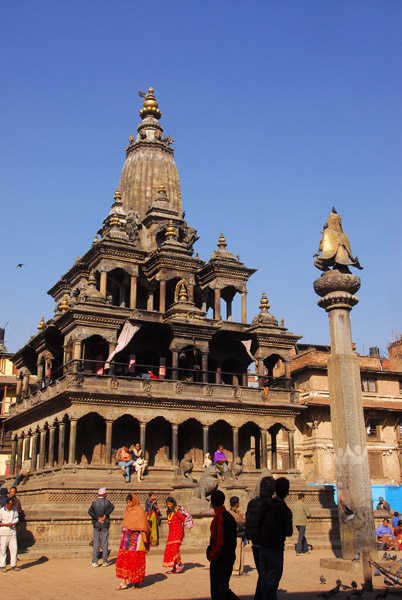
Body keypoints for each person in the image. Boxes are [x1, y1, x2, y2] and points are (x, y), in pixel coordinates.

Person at [257, 477, 293, 600]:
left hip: (263, 547)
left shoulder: (266, 504)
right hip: (276, 549)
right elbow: (289, 532)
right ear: (287, 492)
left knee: (263, 579)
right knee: (272, 581)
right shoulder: (285, 509)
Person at [245, 476, 276, 600]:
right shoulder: (275, 505)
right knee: (269, 578)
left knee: (263, 575)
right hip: (271, 547)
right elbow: (287, 530)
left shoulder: (252, 503)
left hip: (256, 545)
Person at [207, 489, 239, 600]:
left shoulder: (218, 518)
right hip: (229, 558)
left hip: (220, 560)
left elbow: (219, 542)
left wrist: (212, 556)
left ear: (212, 503)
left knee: (218, 593)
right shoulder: (229, 516)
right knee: (224, 590)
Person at [115, 493, 151, 590]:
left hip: (137, 539)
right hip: (126, 538)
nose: (128, 505)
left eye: (130, 502)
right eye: (127, 503)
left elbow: (143, 525)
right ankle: (123, 582)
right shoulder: (127, 511)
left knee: (135, 560)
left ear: (133, 501)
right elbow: (126, 523)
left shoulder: (139, 510)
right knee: (124, 559)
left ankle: (136, 581)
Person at [88, 487, 115, 567]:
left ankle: (94, 561)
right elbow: (112, 507)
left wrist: (97, 518)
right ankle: (105, 560)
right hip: (105, 524)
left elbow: (90, 511)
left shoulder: (95, 503)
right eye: (105, 493)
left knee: (96, 542)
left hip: (96, 524)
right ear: (103, 494)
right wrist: (105, 516)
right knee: (104, 542)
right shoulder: (107, 502)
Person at [163, 496, 186, 574]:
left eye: (169, 504)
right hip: (171, 533)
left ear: (173, 503)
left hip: (178, 533)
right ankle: (174, 568)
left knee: (175, 550)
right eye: (167, 504)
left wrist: (176, 513)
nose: (168, 506)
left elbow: (183, 519)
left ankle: (180, 564)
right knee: (170, 550)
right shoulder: (168, 512)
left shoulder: (177, 510)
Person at [0, 498, 20, 572]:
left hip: (12, 532)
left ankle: (13, 565)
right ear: (6, 504)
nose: (11, 507)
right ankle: (2, 565)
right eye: (10, 505)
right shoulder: (1, 511)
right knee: (3, 549)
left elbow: (17, 518)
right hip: (3, 532)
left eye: (12, 506)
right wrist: (6, 524)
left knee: (14, 549)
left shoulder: (14, 509)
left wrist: (13, 523)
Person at [229, 496, 246, 576]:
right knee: (236, 552)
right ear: (236, 503)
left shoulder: (238, 512)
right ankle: (235, 569)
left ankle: (240, 569)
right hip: (235, 536)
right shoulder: (231, 513)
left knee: (241, 552)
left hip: (240, 535)